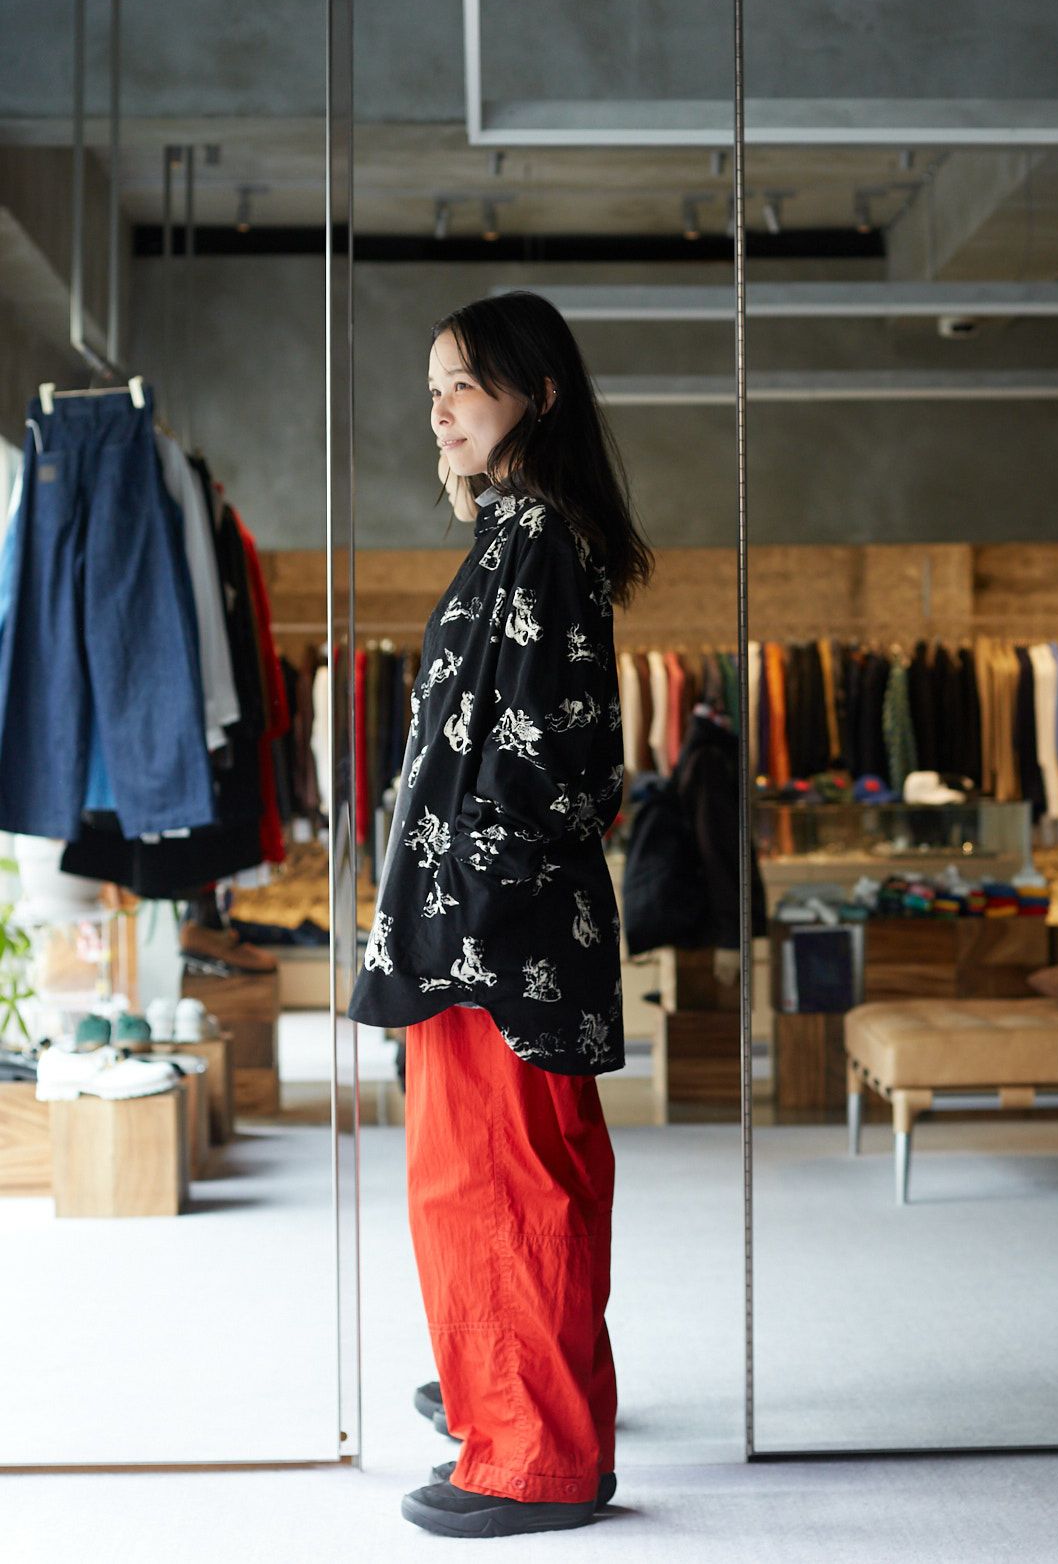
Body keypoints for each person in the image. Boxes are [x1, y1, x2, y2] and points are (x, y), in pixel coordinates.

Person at [348, 289, 653, 1538]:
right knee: (502, 1185)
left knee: (501, 1190)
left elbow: (550, 757)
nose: (440, 412)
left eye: (463, 386)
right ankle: (506, 1404)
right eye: (433, 390)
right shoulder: (520, 533)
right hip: (487, 924)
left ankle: (533, 1454)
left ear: (541, 395)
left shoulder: (538, 542)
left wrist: (467, 912)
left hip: (494, 935)